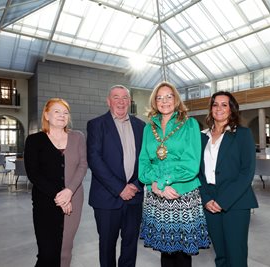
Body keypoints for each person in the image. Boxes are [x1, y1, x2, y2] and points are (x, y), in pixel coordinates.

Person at [138, 81, 210, 267]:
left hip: (182, 193)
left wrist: (162, 182)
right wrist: (153, 183)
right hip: (157, 194)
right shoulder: (148, 128)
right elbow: (144, 163)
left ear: (176, 99)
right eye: (159, 97)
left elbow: (191, 164)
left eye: (169, 96)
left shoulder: (190, 124)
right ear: (154, 102)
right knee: (165, 250)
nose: (165, 101)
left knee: (182, 253)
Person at [24, 98, 88, 267]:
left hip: (74, 200)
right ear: (46, 115)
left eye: (65, 112)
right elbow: (34, 174)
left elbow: (82, 165)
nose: (62, 115)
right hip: (45, 202)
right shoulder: (34, 140)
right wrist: (60, 197)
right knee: (47, 253)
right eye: (57, 111)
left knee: (65, 250)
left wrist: (69, 192)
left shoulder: (78, 137)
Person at [86, 85, 145, 267]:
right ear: (108, 101)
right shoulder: (96, 125)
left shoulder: (141, 126)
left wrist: (135, 184)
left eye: (125, 98)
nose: (121, 101)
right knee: (107, 246)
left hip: (134, 197)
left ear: (130, 101)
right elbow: (94, 159)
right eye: (116, 97)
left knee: (130, 246)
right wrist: (120, 188)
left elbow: (146, 159)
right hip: (107, 199)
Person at [198, 91, 259, 267]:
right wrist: (206, 198)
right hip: (209, 200)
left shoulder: (243, 134)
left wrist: (223, 201)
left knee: (236, 255)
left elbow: (247, 172)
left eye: (224, 104)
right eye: (215, 104)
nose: (219, 108)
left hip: (236, 202)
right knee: (221, 255)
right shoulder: (202, 136)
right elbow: (198, 172)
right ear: (210, 109)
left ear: (231, 109)